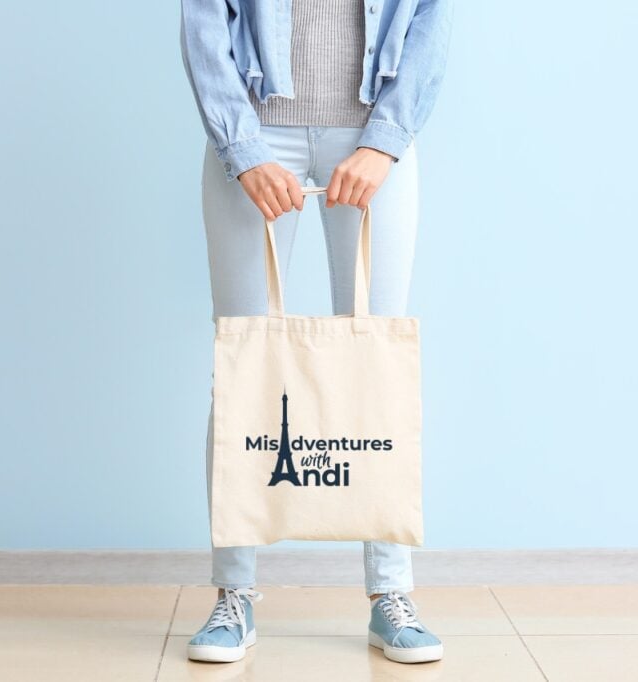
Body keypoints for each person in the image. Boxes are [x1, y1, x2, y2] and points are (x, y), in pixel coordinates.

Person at [179, 0, 453, 665]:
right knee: (244, 368)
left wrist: (385, 140)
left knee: (377, 364)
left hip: (372, 134)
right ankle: (233, 595)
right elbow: (203, 22)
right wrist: (241, 148)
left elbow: (430, 20)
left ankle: (391, 594)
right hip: (256, 129)